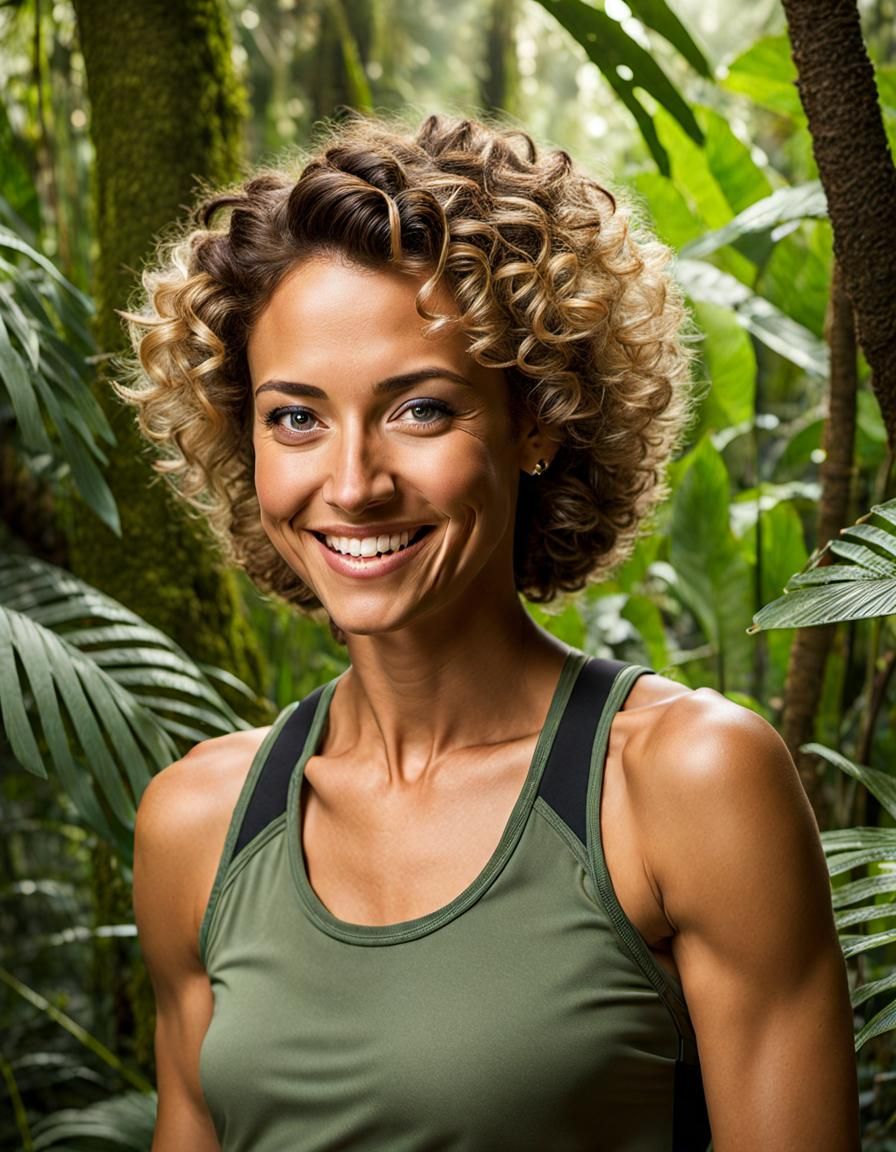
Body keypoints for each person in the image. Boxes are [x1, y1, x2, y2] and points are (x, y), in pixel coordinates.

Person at [125, 114, 860, 1151]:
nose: (350, 485)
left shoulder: (682, 783)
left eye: (419, 411)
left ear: (537, 419)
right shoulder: (197, 824)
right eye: (294, 417)